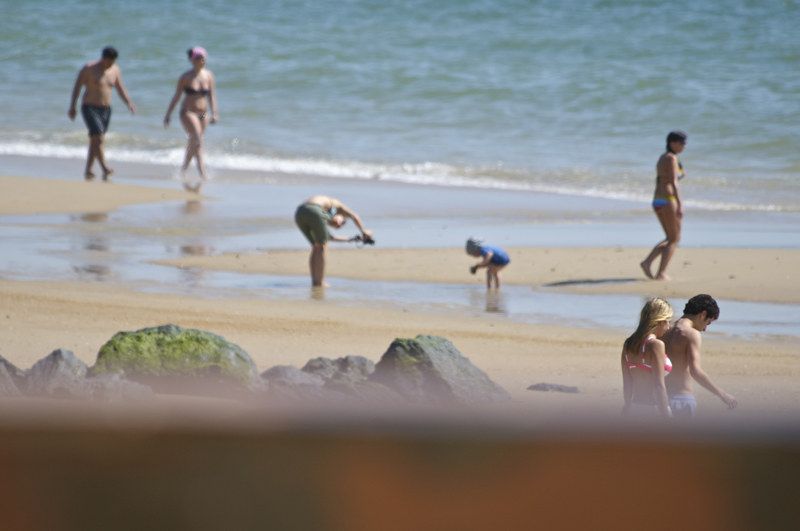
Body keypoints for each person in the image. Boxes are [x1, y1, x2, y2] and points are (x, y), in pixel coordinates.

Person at [68, 46, 136, 181]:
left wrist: (129, 103)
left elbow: (120, 88)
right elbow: (77, 87)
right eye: (108, 62)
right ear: (103, 58)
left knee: (96, 139)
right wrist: (72, 107)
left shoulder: (115, 70)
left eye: (112, 62)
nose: (110, 65)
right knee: (98, 138)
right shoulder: (89, 68)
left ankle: (88, 170)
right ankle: (105, 168)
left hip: (106, 109)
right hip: (89, 107)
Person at [664, 294, 737, 418]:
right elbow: (695, 371)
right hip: (682, 399)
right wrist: (722, 394)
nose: (705, 329)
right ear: (702, 314)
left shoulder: (665, 329)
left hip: (661, 397)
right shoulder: (691, 334)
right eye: (708, 323)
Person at [164, 46, 218, 192]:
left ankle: (183, 170)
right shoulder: (186, 77)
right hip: (188, 112)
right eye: (198, 58)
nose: (201, 60)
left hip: (203, 113)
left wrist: (215, 113)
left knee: (196, 141)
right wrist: (168, 114)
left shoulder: (209, 76)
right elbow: (176, 96)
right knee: (197, 139)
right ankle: (202, 172)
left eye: (203, 58)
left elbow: (212, 96)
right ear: (192, 60)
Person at [294, 195, 373, 287]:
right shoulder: (336, 207)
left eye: (340, 226)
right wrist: (363, 230)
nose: (339, 225)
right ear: (341, 215)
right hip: (313, 209)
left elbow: (330, 237)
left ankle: (315, 281)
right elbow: (353, 215)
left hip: (300, 213)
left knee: (316, 246)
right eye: (342, 222)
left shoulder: (325, 214)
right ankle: (319, 282)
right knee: (321, 246)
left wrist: (353, 239)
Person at [640, 131, 687, 281]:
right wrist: (680, 203)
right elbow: (674, 182)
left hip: (657, 199)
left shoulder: (662, 157)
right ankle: (660, 273)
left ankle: (647, 263)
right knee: (674, 239)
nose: (684, 146)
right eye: (682, 143)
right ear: (673, 143)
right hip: (668, 198)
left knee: (670, 237)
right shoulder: (671, 158)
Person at [621, 297, 674, 418]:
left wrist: (627, 407)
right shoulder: (656, 345)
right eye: (668, 321)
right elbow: (659, 385)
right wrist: (666, 415)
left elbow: (627, 383)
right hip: (655, 409)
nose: (669, 326)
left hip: (634, 407)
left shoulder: (628, 344)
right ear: (660, 321)